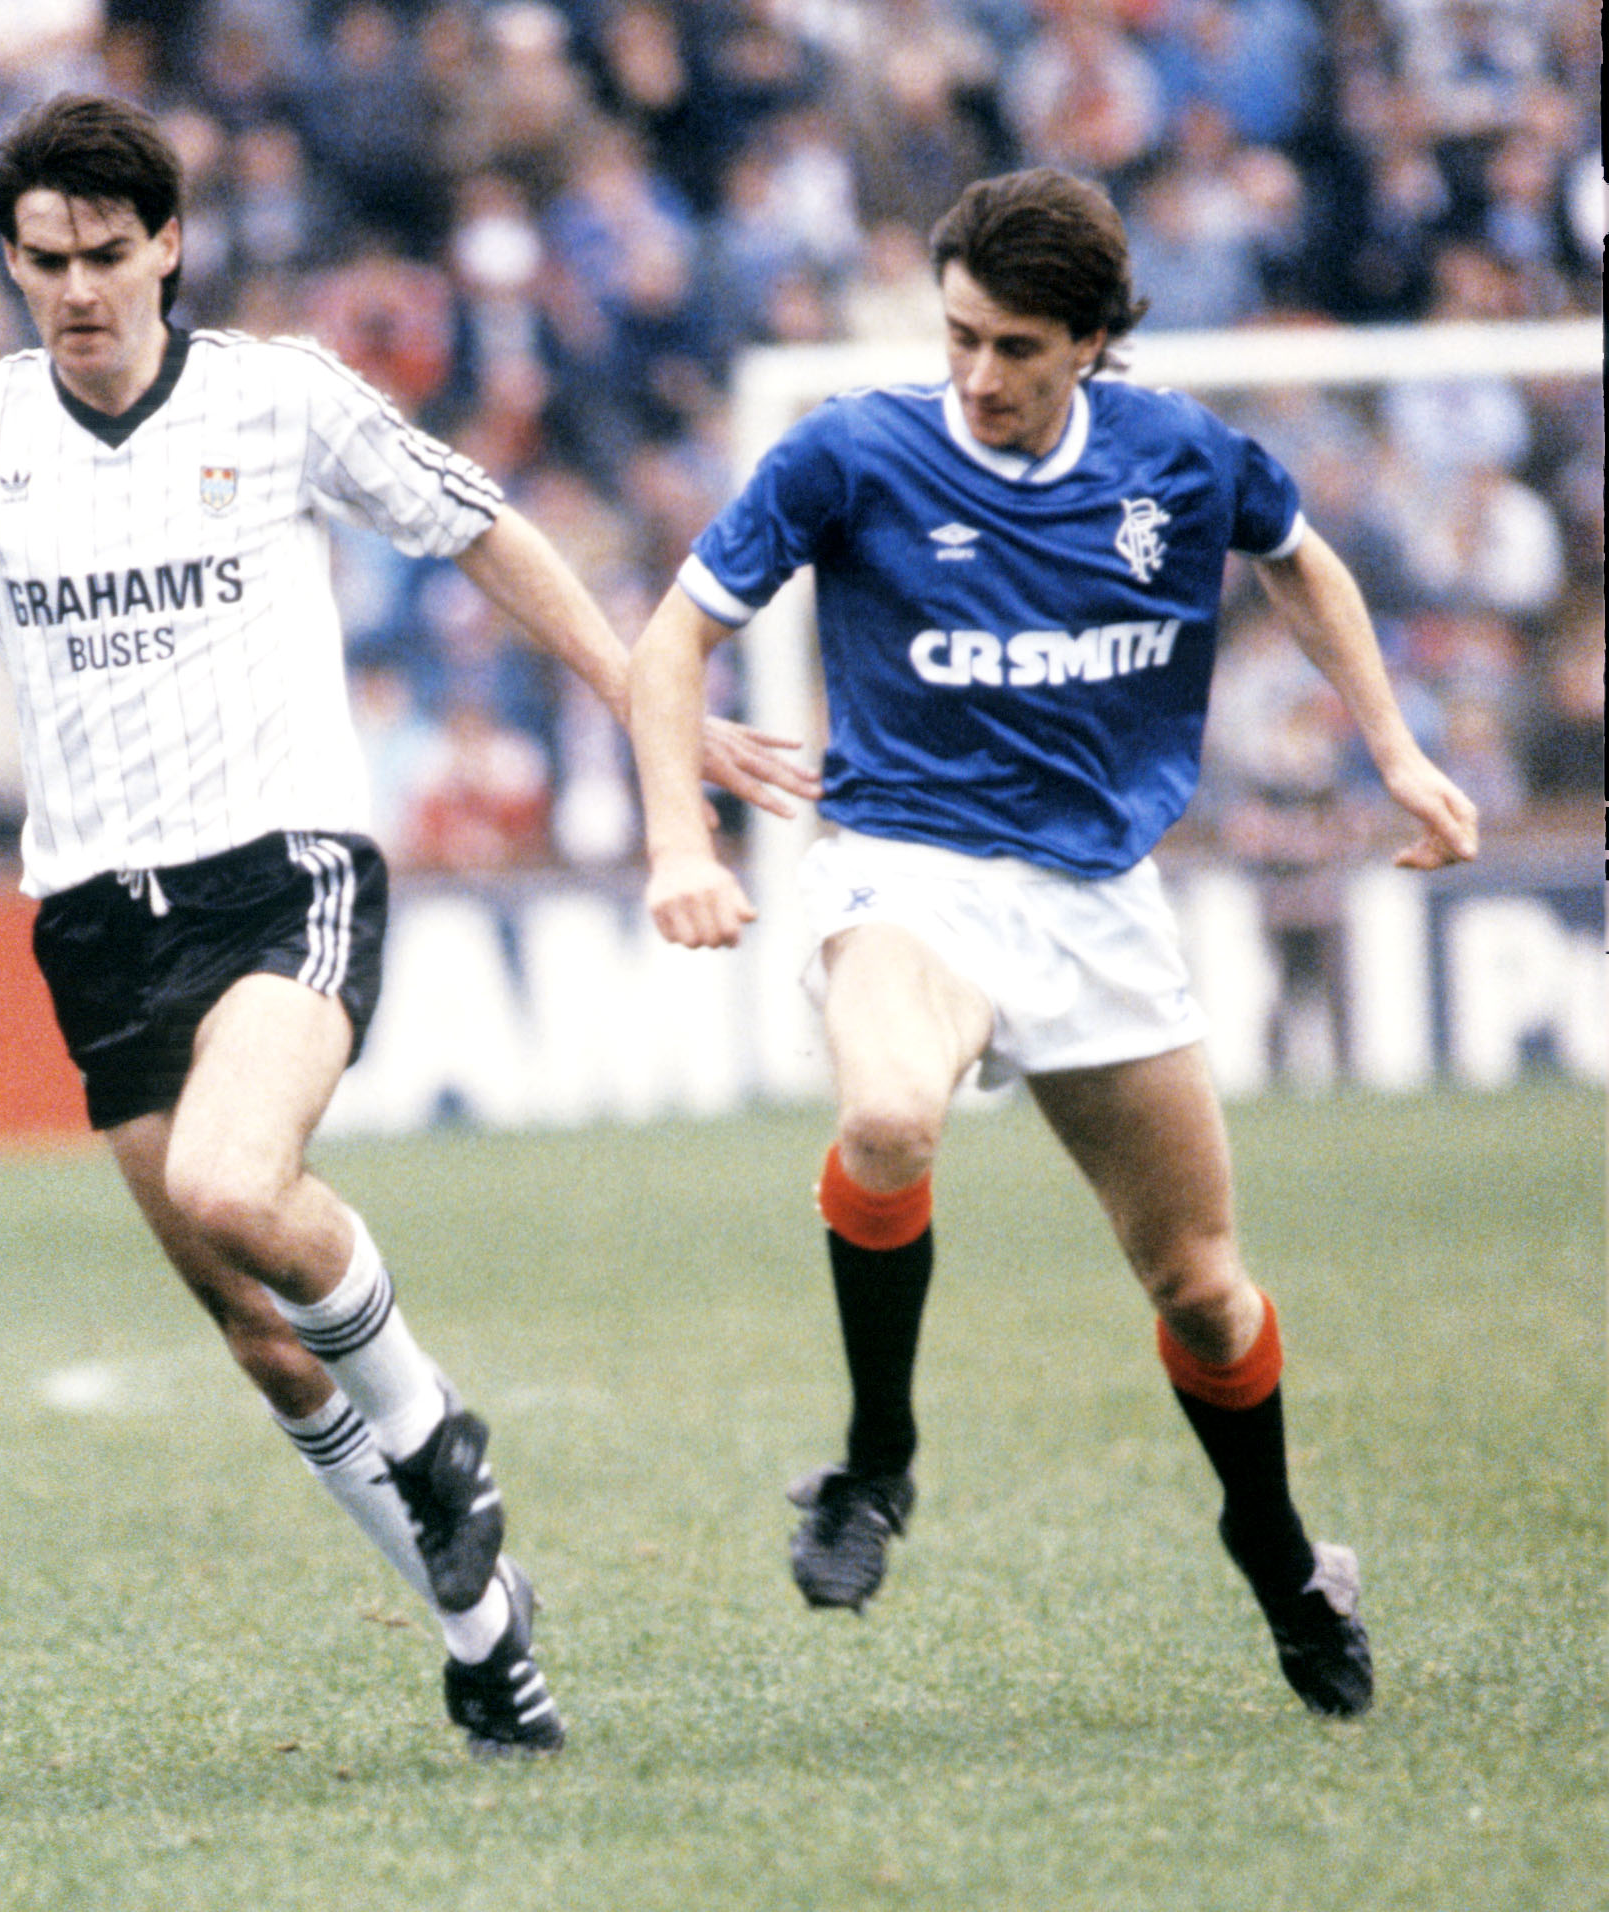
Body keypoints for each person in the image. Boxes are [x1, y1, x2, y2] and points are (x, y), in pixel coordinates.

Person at [0, 91, 814, 1757]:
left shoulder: (277, 397)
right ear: (9, 263)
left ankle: (440, 1432)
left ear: (168, 244)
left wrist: (647, 695)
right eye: (42, 262)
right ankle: (483, 1635)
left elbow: (485, 530)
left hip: (283, 868)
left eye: (102, 254)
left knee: (242, 1182)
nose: (76, 290)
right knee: (255, 1332)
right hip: (94, 917)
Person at [628, 168, 1480, 1719]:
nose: (978, 376)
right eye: (958, 336)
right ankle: (874, 1467)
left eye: (1016, 347)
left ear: (1093, 342)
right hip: (907, 869)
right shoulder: (852, 454)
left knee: (1204, 1291)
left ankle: (1281, 1551)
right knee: (888, 1116)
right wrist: (680, 843)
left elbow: (1303, 560)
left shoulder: (1181, 461)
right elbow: (675, 634)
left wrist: (1396, 751)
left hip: (1097, 903)